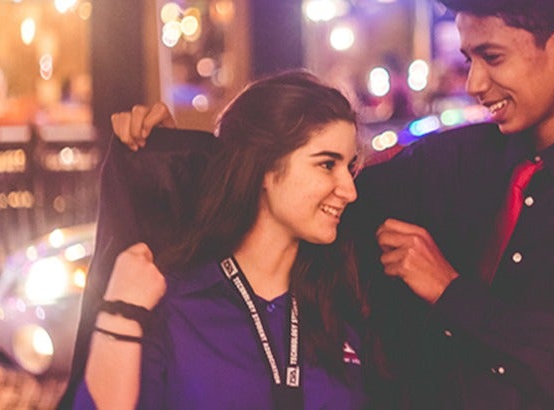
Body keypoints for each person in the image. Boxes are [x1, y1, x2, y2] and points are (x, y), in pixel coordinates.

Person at [103, 0, 554, 408]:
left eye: (492, 57)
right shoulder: (456, 162)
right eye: (469, 60)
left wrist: (451, 292)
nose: (475, 84)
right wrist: (164, 152)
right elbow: (295, 195)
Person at [71, 71, 369, 409]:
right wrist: (119, 313)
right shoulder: (175, 307)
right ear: (265, 169)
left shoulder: (343, 302)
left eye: (351, 166)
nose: (349, 191)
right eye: (327, 164)